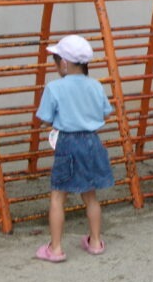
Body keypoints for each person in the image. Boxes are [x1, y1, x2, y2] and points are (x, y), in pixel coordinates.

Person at [35, 34, 114, 262]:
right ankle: (96, 241)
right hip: (92, 141)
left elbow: (45, 118)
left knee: (58, 195)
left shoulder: (54, 88)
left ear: (64, 63)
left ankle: (56, 248)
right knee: (90, 195)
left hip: (68, 142)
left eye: (56, 60)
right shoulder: (96, 85)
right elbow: (105, 114)